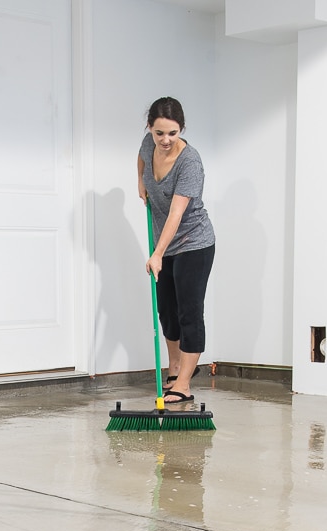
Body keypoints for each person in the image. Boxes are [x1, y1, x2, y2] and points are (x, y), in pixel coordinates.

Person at [137, 96, 216, 403]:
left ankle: (183, 383)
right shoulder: (148, 144)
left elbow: (176, 214)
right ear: (150, 129)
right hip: (164, 244)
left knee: (189, 313)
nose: (166, 140)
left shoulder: (190, 162)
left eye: (172, 133)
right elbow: (142, 158)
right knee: (167, 311)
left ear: (181, 129)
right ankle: (174, 369)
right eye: (160, 133)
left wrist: (157, 254)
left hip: (194, 243)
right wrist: (140, 183)